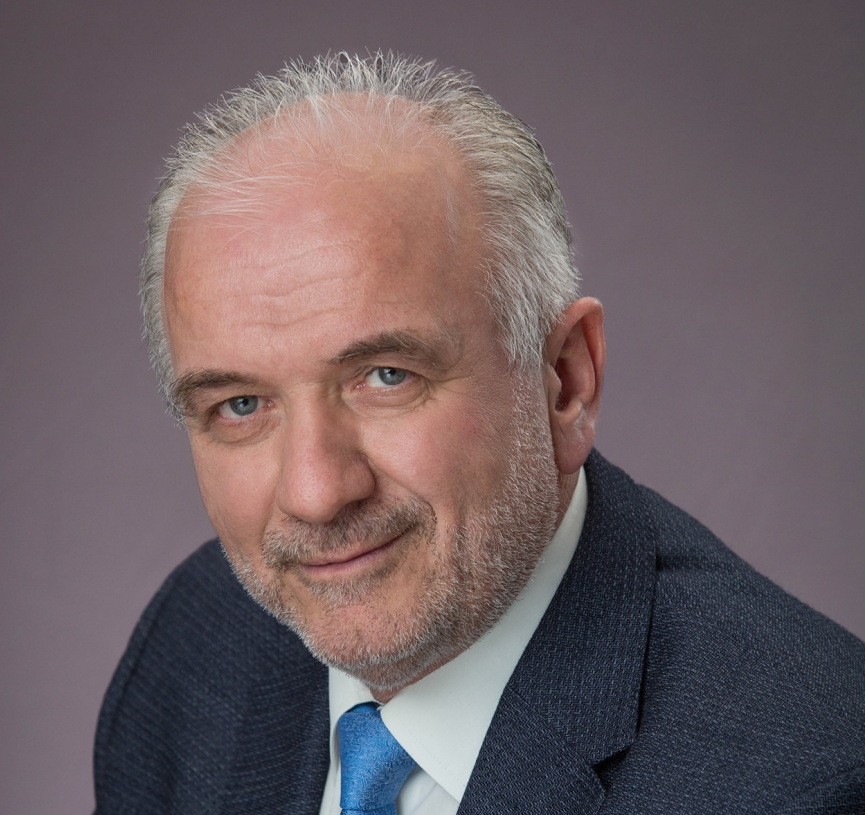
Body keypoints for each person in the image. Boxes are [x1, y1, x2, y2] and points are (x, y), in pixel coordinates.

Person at [94, 54, 865, 814]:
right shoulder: (194, 652)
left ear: (565, 379)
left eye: (387, 376)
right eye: (240, 404)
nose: (317, 492)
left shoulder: (811, 778)